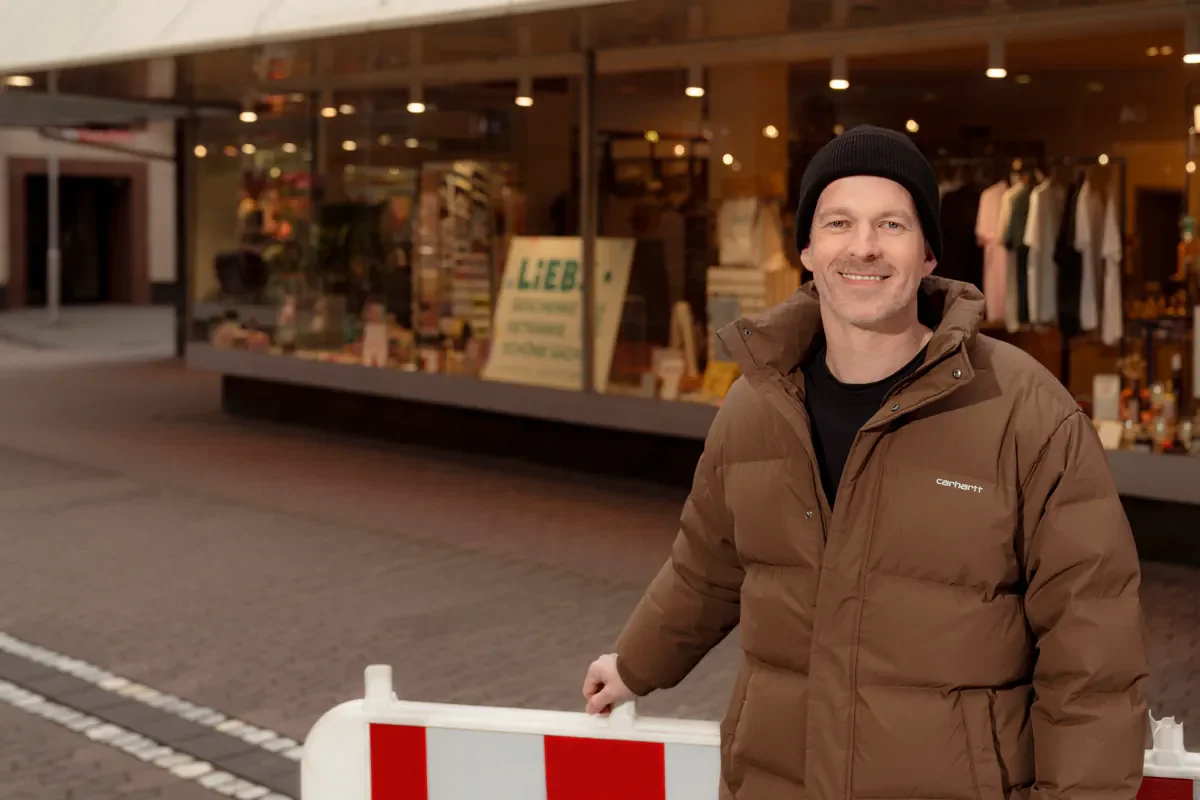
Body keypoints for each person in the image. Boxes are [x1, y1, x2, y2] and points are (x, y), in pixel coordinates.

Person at [582, 125, 1149, 800]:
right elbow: (706, 567)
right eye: (838, 222)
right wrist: (636, 663)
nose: (864, 246)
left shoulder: (1023, 412)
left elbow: (1093, 653)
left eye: (892, 223)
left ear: (929, 252)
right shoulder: (757, 407)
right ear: (806, 249)